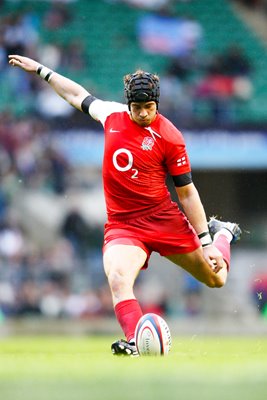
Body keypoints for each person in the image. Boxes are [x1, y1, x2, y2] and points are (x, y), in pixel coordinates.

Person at [8, 54, 242, 357]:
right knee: (118, 278)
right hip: (124, 225)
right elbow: (76, 94)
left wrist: (207, 242)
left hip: (163, 219)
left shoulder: (170, 136)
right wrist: (41, 70)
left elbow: (186, 193)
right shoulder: (111, 116)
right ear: (128, 104)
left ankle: (223, 233)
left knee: (217, 279)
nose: (143, 113)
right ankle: (134, 341)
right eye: (137, 107)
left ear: (157, 104)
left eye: (149, 107)